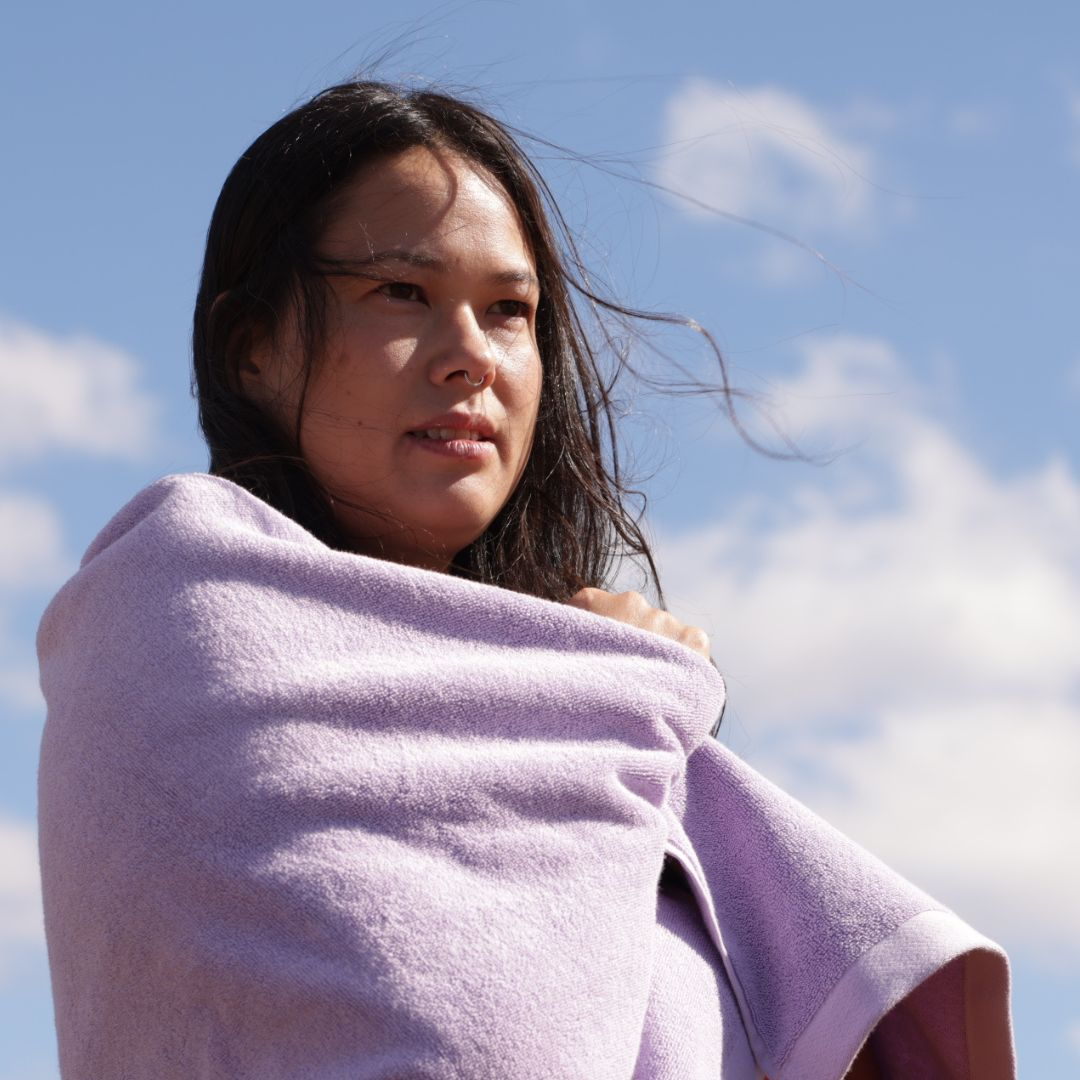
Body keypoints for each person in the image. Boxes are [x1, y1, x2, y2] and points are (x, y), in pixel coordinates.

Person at [37, 81, 1015, 1079]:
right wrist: (622, 705)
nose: (473, 358)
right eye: (401, 293)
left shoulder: (603, 711)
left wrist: (616, 702)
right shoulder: (173, 613)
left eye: (509, 312)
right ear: (252, 347)